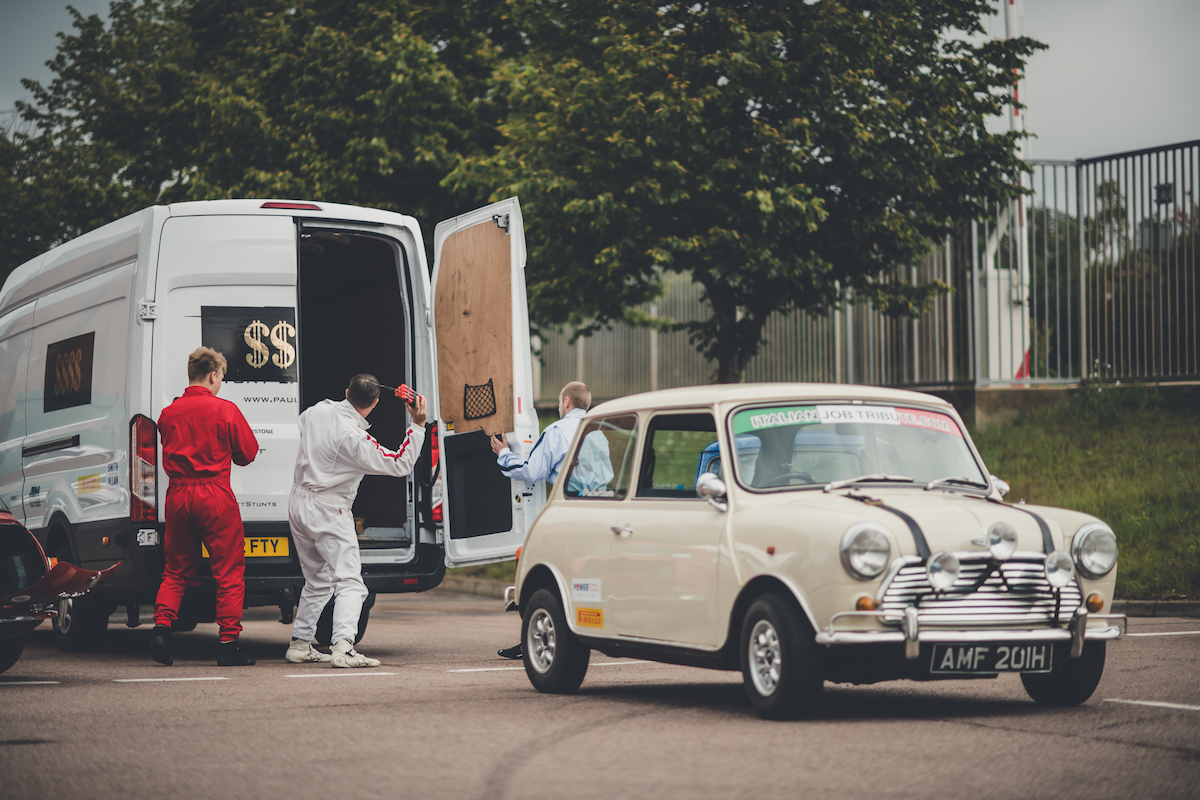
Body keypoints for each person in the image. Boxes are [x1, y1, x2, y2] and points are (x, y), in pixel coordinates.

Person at [286, 374, 426, 668]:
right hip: (328, 508)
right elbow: (400, 463)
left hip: (298, 501)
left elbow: (301, 425)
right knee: (350, 583)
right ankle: (344, 647)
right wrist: (417, 424)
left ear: (346, 391)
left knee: (317, 579)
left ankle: (300, 644)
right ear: (375, 403)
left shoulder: (316, 411)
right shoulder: (354, 438)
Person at [150, 347, 259, 667]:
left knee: (176, 570)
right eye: (221, 377)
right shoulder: (225, 410)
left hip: (179, 496)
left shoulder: (168, 414)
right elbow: (247, 454)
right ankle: (227, 645)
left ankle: (161, 630)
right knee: (228, 572)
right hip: (214, 495)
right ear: (213, 375)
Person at [491, 381, 610, 659]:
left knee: (544, 575)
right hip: (597, 513)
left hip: (567, 515)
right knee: (583, 579)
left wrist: (504, 454)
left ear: (566, 402)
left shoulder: (556, 431)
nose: (559, 407)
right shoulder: (598, 432)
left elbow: (532, 471)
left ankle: (538, 637)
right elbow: (607, 476)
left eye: (559, 403)